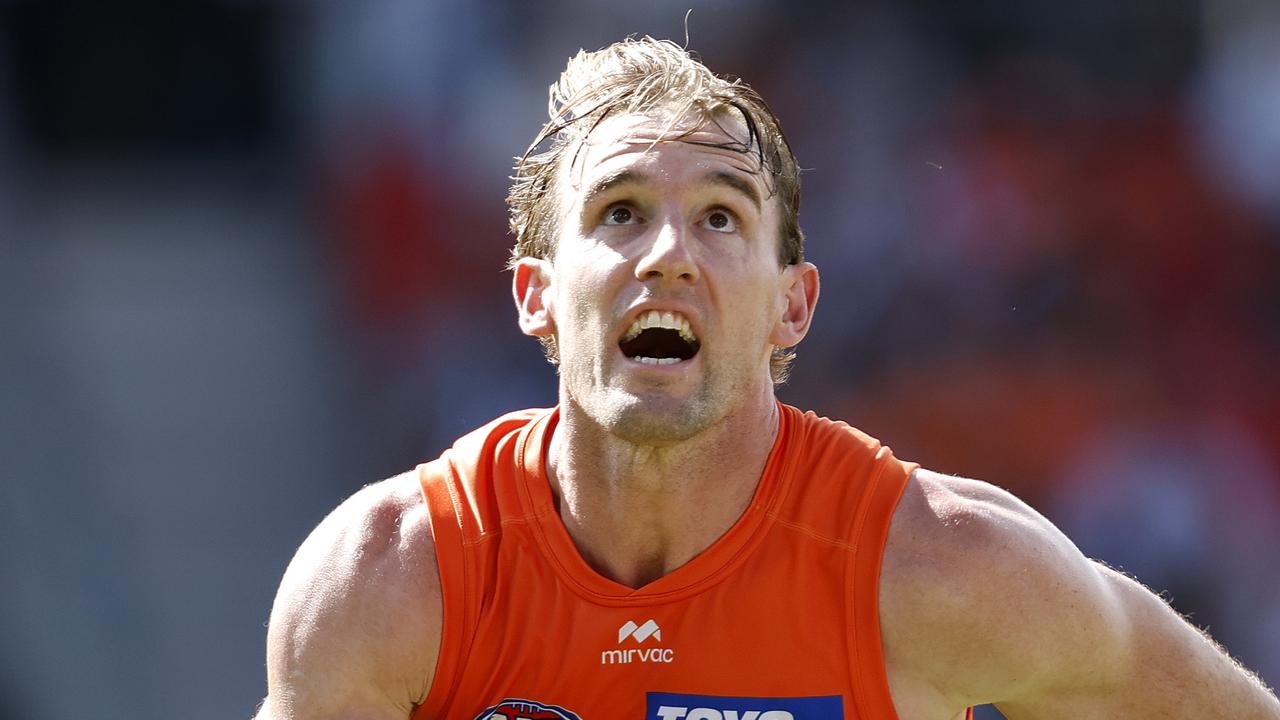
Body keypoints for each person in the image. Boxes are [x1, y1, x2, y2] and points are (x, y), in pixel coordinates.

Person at [255, 38, 1280, 720]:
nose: (666, 254)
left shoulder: (937, 573)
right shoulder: (389, 586)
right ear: (533, 294)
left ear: (791, 305)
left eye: (719, 217)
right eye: (616, 212)